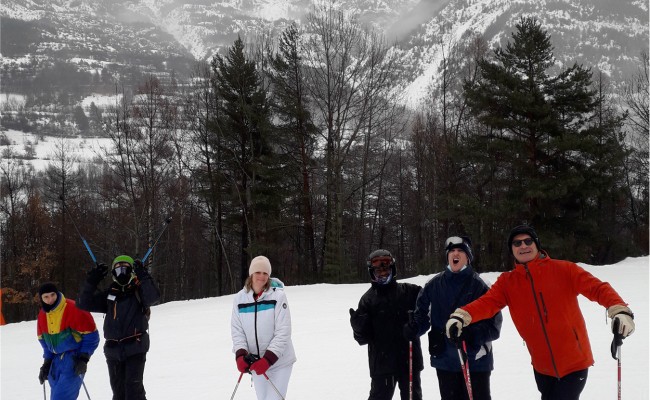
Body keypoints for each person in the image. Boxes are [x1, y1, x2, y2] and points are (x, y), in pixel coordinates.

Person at [445, 225, 636, 400]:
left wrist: (618, 309)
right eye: (517, 243)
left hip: (574, 364)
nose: (523, 246)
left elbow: (598, 288)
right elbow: (487, 303)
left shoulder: (564, 270)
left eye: (528, 241)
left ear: (537, 245)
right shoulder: (507, 282)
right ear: (512, 250)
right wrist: (462, 315)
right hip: (542, 367)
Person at [404, 236, 502, 400]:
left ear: (468, 257)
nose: (455, 254)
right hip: (444, 360)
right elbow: (421, 317)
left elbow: (494, 326)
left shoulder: (481, 285)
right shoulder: (433, 284)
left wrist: (471, 335)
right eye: (452, 251)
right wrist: (414, 328)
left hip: (475, 361)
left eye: (460, 251)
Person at [78, 255, 161, 400]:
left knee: (133, 391)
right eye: (117, 269)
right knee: (119, 393)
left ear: (132, 271)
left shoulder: (138, 291)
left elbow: (153, 297)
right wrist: (92, 280)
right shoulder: (110, 294)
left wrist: (143, 274)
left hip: (136, 347)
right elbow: (83, 303)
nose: (121, 272)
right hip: (113, 350)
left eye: (125, 268)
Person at [349, 249, 424, 400]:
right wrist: (358, 328)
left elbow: (429, 308)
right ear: (372, 273)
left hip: (408, 360)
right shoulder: (368, 300)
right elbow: (363, 339)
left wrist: (416, 325)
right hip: (382, 364)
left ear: (393, 269)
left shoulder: (410, 292)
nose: (383, 274)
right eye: (378, 271)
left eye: (386, 270)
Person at [231, 255, 296, 400]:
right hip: (256, 363)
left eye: (265, 273)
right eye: (258, 272)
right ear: (251, 274)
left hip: (280, 362)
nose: (261, 276)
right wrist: (240, 355)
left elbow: (283, 331)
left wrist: (267, 360)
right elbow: (237, 331)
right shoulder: (239, 299)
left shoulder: (278, 297)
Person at [37, 282, 100, 399]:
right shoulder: (42, 315)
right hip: (55, 362)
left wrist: (83, 358)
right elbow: (45, 343)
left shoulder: (73, 308)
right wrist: (47, 363)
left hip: (73, 359)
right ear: (41, 298)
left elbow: (92, 336)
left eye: (52, 295)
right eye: (46, 297)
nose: (50, 299)